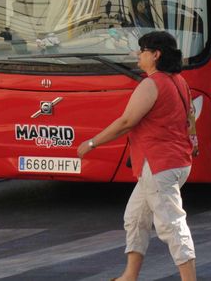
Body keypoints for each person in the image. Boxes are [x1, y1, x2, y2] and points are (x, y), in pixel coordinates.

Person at [78, 31, 199, 281]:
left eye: (142, 50)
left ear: (156, 55)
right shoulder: (179, 81)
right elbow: (190, 117)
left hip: (159, 166)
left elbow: (126, 121)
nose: (138, 54)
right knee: (135, 218)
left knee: (171, 224)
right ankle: (129, 277)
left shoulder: (151, 84)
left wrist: (92, 142)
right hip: (172, 162)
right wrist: (193, 143)